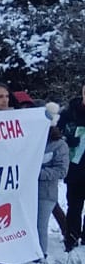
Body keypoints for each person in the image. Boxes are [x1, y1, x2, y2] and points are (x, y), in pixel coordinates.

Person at [38, 107, 67, 261]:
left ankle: (40, 255)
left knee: (40, 225)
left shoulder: (59, 145)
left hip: (46, 193)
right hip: (26, 192)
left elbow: (62, 170)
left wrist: (38, 174)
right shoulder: (32, 141)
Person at [59, 86, 85, 253]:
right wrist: (67, 139)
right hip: (75, 166)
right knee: (74, 205)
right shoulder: (69, 112)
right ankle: (71, 238)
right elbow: (56, 133)